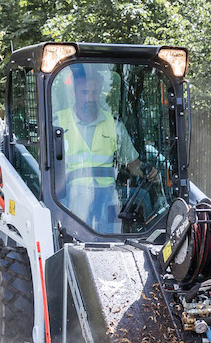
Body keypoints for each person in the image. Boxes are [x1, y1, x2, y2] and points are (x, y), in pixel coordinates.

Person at [55, 63, 145, 232]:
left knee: (111, 240)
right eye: (84, 92)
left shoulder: (114, 126)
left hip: (107, 197)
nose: (89, 98)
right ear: (74, 93)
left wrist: (149, 174)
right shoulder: (57, 123)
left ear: (100, 94)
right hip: (71, 197)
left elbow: (133, 165)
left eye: (94, 92)